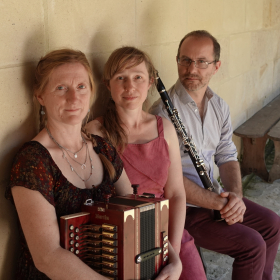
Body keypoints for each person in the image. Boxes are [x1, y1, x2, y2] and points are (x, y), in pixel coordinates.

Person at [150, 30, 280, 280]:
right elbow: (169, 180)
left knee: (272, 225)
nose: (191, 69)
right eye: (185, 60)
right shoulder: (161, 115)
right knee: (252, 245)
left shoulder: (219, 106)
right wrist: (219, 203)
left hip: (216, 197)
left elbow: (227, 154)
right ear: (177, 61)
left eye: (201, 61)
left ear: (216, 66)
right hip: (183, 209)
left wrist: (236, 198)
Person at [5, 49, 133, 279]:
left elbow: (137, 210)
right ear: (40, 96)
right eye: (61, 88)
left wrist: (172, 261)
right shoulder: (33, 161)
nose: (74, 98)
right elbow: (48, 257)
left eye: (81, 87)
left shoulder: (103, 148)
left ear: (92, 91)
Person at [86, 46, 207, 280]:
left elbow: (176, 194)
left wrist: (172, 251)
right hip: (121, 236)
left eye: (138, 78)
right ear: (107, 83)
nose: (130, 86)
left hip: (168, 233)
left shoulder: (165, 128)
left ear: (150, 82)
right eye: (120, 77)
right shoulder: (96, 132)